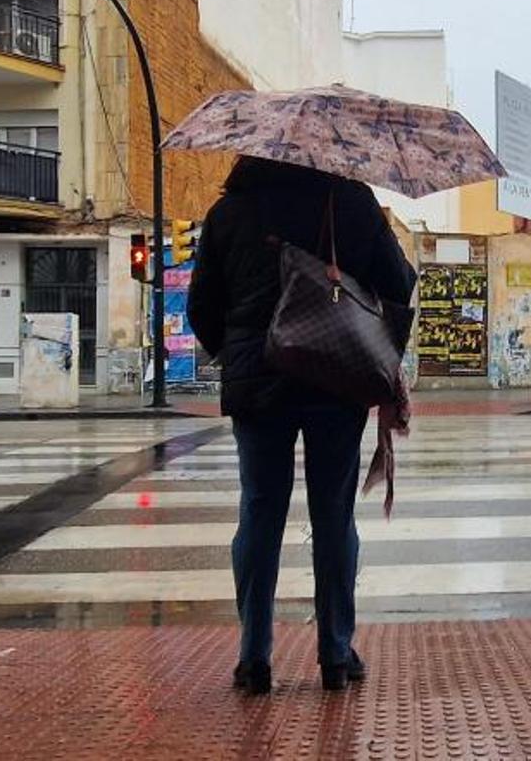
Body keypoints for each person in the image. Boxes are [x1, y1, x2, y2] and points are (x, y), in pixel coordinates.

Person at [187, 156, 416, 695]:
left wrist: (240, 350)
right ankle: (335, 655)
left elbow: (201, 307)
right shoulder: (350, 203)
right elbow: (399, 284)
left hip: (256, 385)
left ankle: (254, 659)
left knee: (260, 512)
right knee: (333, 515)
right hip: (335, 376)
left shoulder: (229, 212)